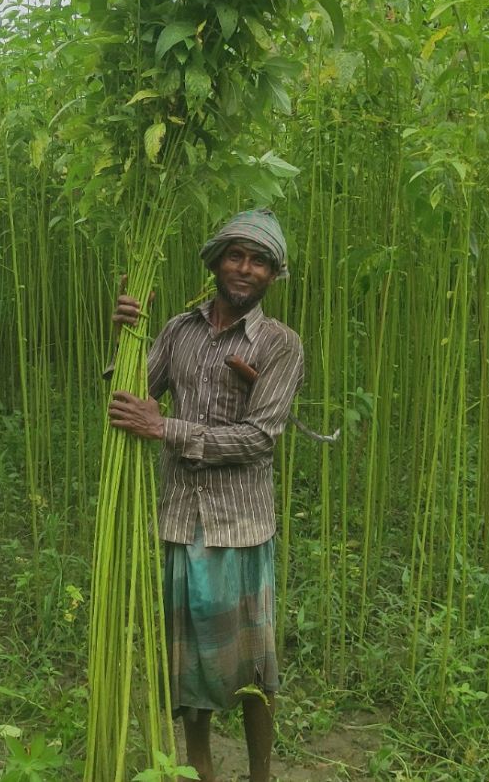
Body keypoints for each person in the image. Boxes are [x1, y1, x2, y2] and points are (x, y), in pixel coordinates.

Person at [107, 209, 304, 782]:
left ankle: (261, 773)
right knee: (185, 662)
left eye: (259, 261)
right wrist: (122, 334)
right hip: (178, 520)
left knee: (254, 664)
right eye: (236, 256)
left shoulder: (280, 343)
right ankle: (200, 771)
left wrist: (164, 428)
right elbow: (129, 397)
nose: (245, 269)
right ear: (216, 261)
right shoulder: (176, 330)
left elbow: (260, 437)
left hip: (239, 527)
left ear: (273, 274)